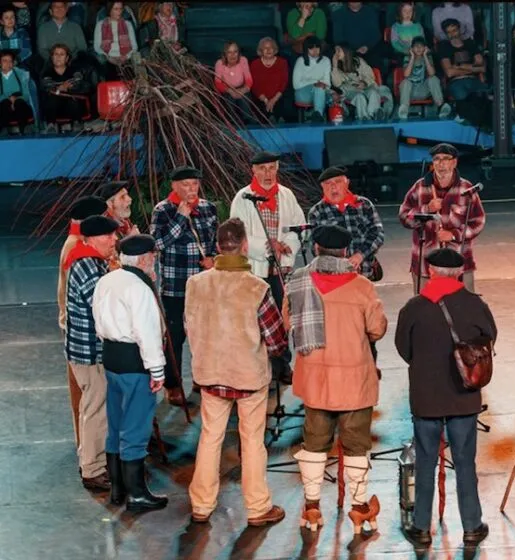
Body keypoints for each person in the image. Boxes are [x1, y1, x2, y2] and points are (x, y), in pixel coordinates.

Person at [285, 225, 387, 534]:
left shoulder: (298, 281)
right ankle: (359, 508)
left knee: (314, 444)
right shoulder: (361, 286)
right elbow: (377, 329)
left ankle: (312, 507)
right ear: (345, 252)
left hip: (315, 379)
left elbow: (288, 322)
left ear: (316, 249)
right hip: (354, 380)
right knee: (356, 445)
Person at [185, 219, 287, 527]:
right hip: (248, 377)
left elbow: (190, 327)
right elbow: (276, 342)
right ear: (244, 246)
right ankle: (257, 508)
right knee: (252, 441)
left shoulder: (196, 284)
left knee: (210, 437)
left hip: (210, 374)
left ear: (218, 247)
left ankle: (201, 505)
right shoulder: (257, 288)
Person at [395, 247, 495, 548]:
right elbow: (490, 336)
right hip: (463, 397)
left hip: (426, 397)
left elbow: (403, 348)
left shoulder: (414, 307)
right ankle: (472, 526)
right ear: (460, 272)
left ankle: (421, 528)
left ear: (431, 272)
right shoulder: (475, 304)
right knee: (465, 463)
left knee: (425, 463)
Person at [92, 234, 168, 512]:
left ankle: (118, 490)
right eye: (153, 257)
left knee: (116, 425)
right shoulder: (139, 288)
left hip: (111, 358)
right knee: (135, 428)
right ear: (145, 259)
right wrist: (157, 370)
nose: (154, 262)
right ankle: (137, 494)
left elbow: (98, 323)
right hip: (135, 363)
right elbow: (147, 332)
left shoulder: (106, 280)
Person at [150, 165, 218, 406]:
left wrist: (213, 259)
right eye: (186, 185)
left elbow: (214, 241)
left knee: (204, 334)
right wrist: (181, 216)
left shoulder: (208, 208)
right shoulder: (163, 210)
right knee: (175, 336)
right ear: (174, 186)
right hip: (176, 286)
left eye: (195, 184)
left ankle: (203, 378)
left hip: (204, 284)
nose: (191, 189)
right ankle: (173, 384)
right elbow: (157, 244)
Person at [64, 214, 121, 492]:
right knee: (96, 410)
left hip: (87, 349)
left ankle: (88, 459)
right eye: (108, 236)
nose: (114, 240)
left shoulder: (90, 260)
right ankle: (93, 470)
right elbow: (100, 305)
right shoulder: (87, 264)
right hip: (89, 352)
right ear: (90, 239)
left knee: (92, 408)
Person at [399, 143, 486, 294]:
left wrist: (454, 235)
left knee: (464, 306)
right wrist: (427, 208)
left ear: (454, 162)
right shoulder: (420, 187)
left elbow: (478, 221)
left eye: (445, 159)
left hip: (459, 265)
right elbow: (404, 216)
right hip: (426, 265)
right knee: (425, 307)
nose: (441, 163)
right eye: (437, 159)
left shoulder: (466, 188)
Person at [59, 196, 108, 452]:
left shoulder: (80, 247)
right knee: (89, 401)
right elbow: (93, 301)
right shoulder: (78, 251)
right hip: (82, 336)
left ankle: (88, 449)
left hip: (79, 332)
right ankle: (88, 452)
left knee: (90, 401)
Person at [230, 151, 306, 306]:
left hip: (281, 268)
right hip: (254, 268)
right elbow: (238, 234)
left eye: (271, 168)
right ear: (254, 170)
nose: (268, 173)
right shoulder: (243, 197)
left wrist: (287, 246)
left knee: (283, 310)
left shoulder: (287, 195)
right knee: (257, 312)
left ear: (277, 169)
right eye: (262, 168)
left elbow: (298, 225)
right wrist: (268, 246)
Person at [307, 166, 385, 282]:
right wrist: (340, 264)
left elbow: (378, 234)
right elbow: (314, 246)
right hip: (333, 278)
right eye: (328, 183)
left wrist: (360, 255)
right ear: (322, 187)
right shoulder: (316, 212)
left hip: (364, 274)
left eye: (338, 181)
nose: (333, 187)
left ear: (347, 183)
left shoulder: (364, 205)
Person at [330, 43, 393, 121]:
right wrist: (335, 66)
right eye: (335, 51)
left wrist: (364, 83)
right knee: (360, 97)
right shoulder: (336, 67)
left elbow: (370, 76)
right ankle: (363, 118)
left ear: (346, 51)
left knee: (373, 93)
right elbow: (337, 84)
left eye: (338, 50)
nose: (336, 53)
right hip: (351, 91)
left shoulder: (358, 61)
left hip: (364, 88)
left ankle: (375, 113)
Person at [41, 43, 92, 132]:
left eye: (62, 54)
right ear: (52, 57)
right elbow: (48, 87)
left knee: (72, 101)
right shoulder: (46, 73)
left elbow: (77, 84)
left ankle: (77, 124)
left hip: (72, 105)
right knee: (52, 100)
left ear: (67, 58)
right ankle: (51, 126)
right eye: (56, 54)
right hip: (56, 107)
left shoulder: (75, 71)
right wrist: (61, 88)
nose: (58, 57)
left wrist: (60, 88)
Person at [397, 36, 451, 120]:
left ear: (425, 48)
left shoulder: (428, 57)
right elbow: (406, 74)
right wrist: (412, 57)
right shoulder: (407, 58)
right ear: (412, 48)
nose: (419, 48)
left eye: (421, 46)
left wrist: (425, 56)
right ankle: (404, 109)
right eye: (416, 46)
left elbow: (432, 73)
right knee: (405, 82)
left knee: (433, 79)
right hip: (410, 92)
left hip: (423, 90)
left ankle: (441, 106)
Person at [437, 18, 489, 102]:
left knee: (484, 97)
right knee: (463, 99)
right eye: (449, 32)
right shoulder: (444, 47)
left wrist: (458, 66)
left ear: (459, 30)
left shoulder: (470, 43)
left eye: (454, 30)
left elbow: (482, 66)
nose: (452, 34)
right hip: (456, 82)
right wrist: (473, 69)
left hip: (474, 80)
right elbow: (449, 73)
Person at [93, 1, 138, 81]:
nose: (119, 12)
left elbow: (134, 46)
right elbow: (97, 47)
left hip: (125, 58)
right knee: (111, 77)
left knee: (128, 78)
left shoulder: (128, 24)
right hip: (108, 58)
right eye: (116, 9)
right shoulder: (100, 25)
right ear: (109, 10)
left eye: (121, 9)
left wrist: (126, 56)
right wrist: (108, 57)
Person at [292, 35, 331, 123]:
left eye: (317, 48)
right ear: (306, 49)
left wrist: (319, 85)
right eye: (311, 48)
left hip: (322, 90)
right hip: (304, 92)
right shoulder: (300, 61)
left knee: (320, 89)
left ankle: (317, 115)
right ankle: (318, 116)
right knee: (319, 88)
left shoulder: (326, 60)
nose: (315, 51)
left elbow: (327, 83)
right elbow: (296, 85)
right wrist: (315, 82)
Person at [250, 37, 290, 123]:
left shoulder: (282, 62)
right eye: (265, 48)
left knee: (282, 105)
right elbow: (255, 85)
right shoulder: (255, 64)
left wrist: (274, 100)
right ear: (261, 50)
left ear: (274, 49)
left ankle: (278, 120)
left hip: (278, 97)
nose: (268, 50)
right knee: (263, 111)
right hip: (261, 98)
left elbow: (284, 82)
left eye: (271, 47)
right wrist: (266, 100)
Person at [214, 41, 254, 123]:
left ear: (239, 53)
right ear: (225, 54)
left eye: (235, 52)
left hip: (241, 88)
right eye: (229, 52)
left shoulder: (243, 60)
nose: (233, 55)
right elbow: (218, 83)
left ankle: (248, 123)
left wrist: (243, 90)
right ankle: (232, 123)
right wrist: (230, 91)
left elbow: (249, 80)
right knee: (229, 103)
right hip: (226, 90)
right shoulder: (219, 63)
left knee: (245, 102)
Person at [0, 48, 33, 134]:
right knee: (5, 103)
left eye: (10, 61)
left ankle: (23, 130)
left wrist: (15, 99)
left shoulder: (21, 74)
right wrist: (9, 99)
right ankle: (3, 131)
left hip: (20, 104)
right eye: (4, 61)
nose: (8, 63)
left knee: (19, 102)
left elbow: (26, 94)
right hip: (4, 106)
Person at [0, 6, 31, 70]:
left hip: (19, 65)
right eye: (6, 18)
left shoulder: (22, 33)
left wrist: (15, 61)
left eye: (12, 17)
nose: (10, 20)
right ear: (1, 21)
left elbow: (27, 51)